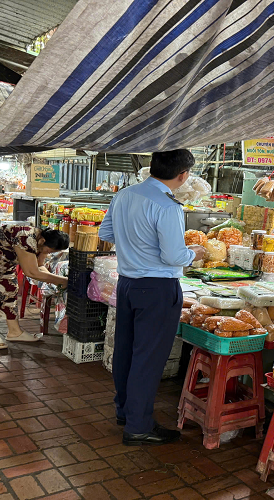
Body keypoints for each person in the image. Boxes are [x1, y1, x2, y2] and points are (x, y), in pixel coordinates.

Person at [99, 149, 206, 446]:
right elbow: (174, 256)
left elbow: (106, 232)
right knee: (147, 359)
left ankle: (125, 411)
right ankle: (138, 426)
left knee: (126, 351)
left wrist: (134, 243)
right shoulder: (168, 206)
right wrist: (194, 253)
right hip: (157, 289)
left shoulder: (124, 195)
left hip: (129, 285)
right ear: (183, 175)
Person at [0, 225, 70, 349]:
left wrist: (59, 280)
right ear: (42, 241)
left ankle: (15, 332)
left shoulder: (42, 242)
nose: (48, 254)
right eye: (49, 251)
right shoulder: (25, 238)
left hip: (4, 261)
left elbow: (39, 266)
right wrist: (64, 281)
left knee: (10, 290)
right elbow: (31, 272)